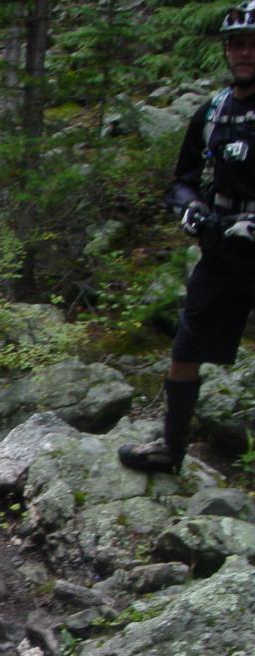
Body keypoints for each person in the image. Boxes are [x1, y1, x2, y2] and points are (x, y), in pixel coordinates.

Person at [118, 2, 255, 474]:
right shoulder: (212, 112)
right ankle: (171, 449)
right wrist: (191, 211)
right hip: (221, 251)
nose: (244, 52)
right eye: (237, 43)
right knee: (186, 347)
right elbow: (181, 180)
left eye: (253, 43)